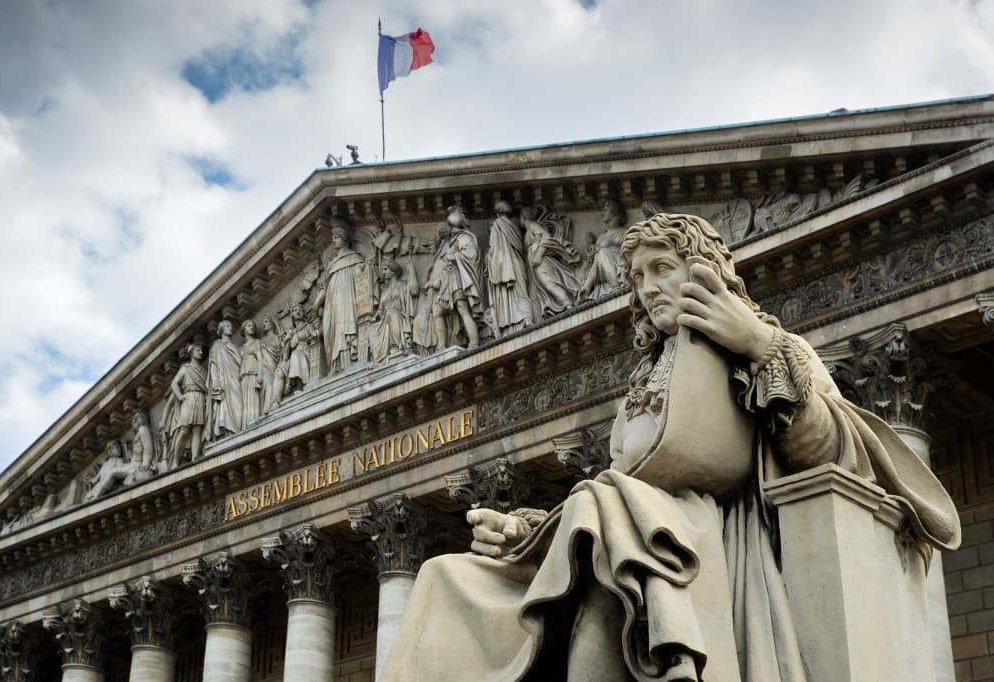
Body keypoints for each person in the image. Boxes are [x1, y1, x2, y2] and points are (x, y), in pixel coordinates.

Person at [383, 213, 960, 681]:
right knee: (444, 574)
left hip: (720, 543)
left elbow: (829, 450)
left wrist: (758, 344)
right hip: (639, 534)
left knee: (603, 531)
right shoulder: (642, 384)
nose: (648, 287)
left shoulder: (766, 343)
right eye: (636, 277)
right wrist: (530, 531)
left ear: (704, 270)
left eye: (663, 267)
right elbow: (625, 485)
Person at [414, 207, 484, 351]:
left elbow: (470, 255)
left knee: (462, 308)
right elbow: (440, 267)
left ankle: (474, 344)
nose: (440, 235)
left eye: (444, 230)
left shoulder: (463, 238)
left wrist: (454, 256)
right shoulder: (446, 246)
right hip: (444, 284)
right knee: (437, 312)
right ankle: (441, 347)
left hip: (456, 280)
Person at [312, 224, 375, 373]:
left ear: (344, 239)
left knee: (343, 326)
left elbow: (363, 279)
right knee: (330, 328)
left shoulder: (355, 258)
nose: (333, 241)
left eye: (336, 238)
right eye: (332, 238)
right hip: (331, 303)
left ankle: (346, 363)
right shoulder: (331, 265)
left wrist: (367, 267)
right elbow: (324, 289)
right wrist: (315, 305)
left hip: (346, 298)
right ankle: (335, 364)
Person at [486, 200, 533, 337]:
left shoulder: (498, 225)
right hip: (518, 264)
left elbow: (495, 251)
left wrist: (488, 262)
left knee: (511, 294)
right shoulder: (515, 227)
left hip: (505, 267)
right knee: (522, 291)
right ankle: (527, 318)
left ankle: (510, 326)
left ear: (497, 213)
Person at [160, 343, 207, 467]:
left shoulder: (203, 370)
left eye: (201, 351)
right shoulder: (185, 368)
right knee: (184, 430)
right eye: (198, 350)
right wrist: (180, 397)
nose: (201, 353)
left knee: (197, 429)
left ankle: (195, 456)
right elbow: (174, 383)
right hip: (188, 397)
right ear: (191, 353)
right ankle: (176, 461)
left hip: (200, 397)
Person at [524, 219, 581, 315]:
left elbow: (546, 236)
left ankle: (568, 304)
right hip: (534, 263)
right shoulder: (529, 228)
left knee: (549, 284)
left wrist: (538, 256)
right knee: (546, 286)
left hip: (540, 261)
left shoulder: (532, 225)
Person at [578, 199, 628, 300]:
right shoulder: (601, 237)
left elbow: (628, 253)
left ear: (614, 212)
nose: (602, 214)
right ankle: (587, 287)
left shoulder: (624, 232)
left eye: (605, 210)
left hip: (618, 267)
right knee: (600, 254)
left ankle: (611, 286)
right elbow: (593, 261)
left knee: (602, 252)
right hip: (600, 271)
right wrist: (591, 248)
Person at [370, 258, 418, 363]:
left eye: (385, 269)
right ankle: (380, 357)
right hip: (385, 320)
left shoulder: (403, 285)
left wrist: (412, 271)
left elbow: (414, 291)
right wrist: (377, 315)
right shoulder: (385, 292)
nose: (383, 272)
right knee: (372, 329)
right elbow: (380, 310)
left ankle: (395, 348)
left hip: (400, 316)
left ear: (393, 271)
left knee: (392, 314)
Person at [206, 319, 243, 440]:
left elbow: (240, 362)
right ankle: (229, 431)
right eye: (227, 326)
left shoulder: (234, 346)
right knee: (227, 403)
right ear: (221, 329)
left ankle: (238, 429)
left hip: (236, 378)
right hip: (224, 380)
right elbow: (213, 365)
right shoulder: (216, 346)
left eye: (231, 326)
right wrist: (215, 381)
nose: (230, 328)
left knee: (238, 404)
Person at [238, 319, 263, 429]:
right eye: (249, 326)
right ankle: (245, 426)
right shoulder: (240, 348)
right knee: (245, 402)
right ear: (243, 329)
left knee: (253, 399)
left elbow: (261, 359)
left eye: (253, 326)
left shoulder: (257, 342)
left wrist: (260, 375)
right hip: (243, 376)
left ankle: (254, 422)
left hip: (254, 373)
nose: (251, 327)